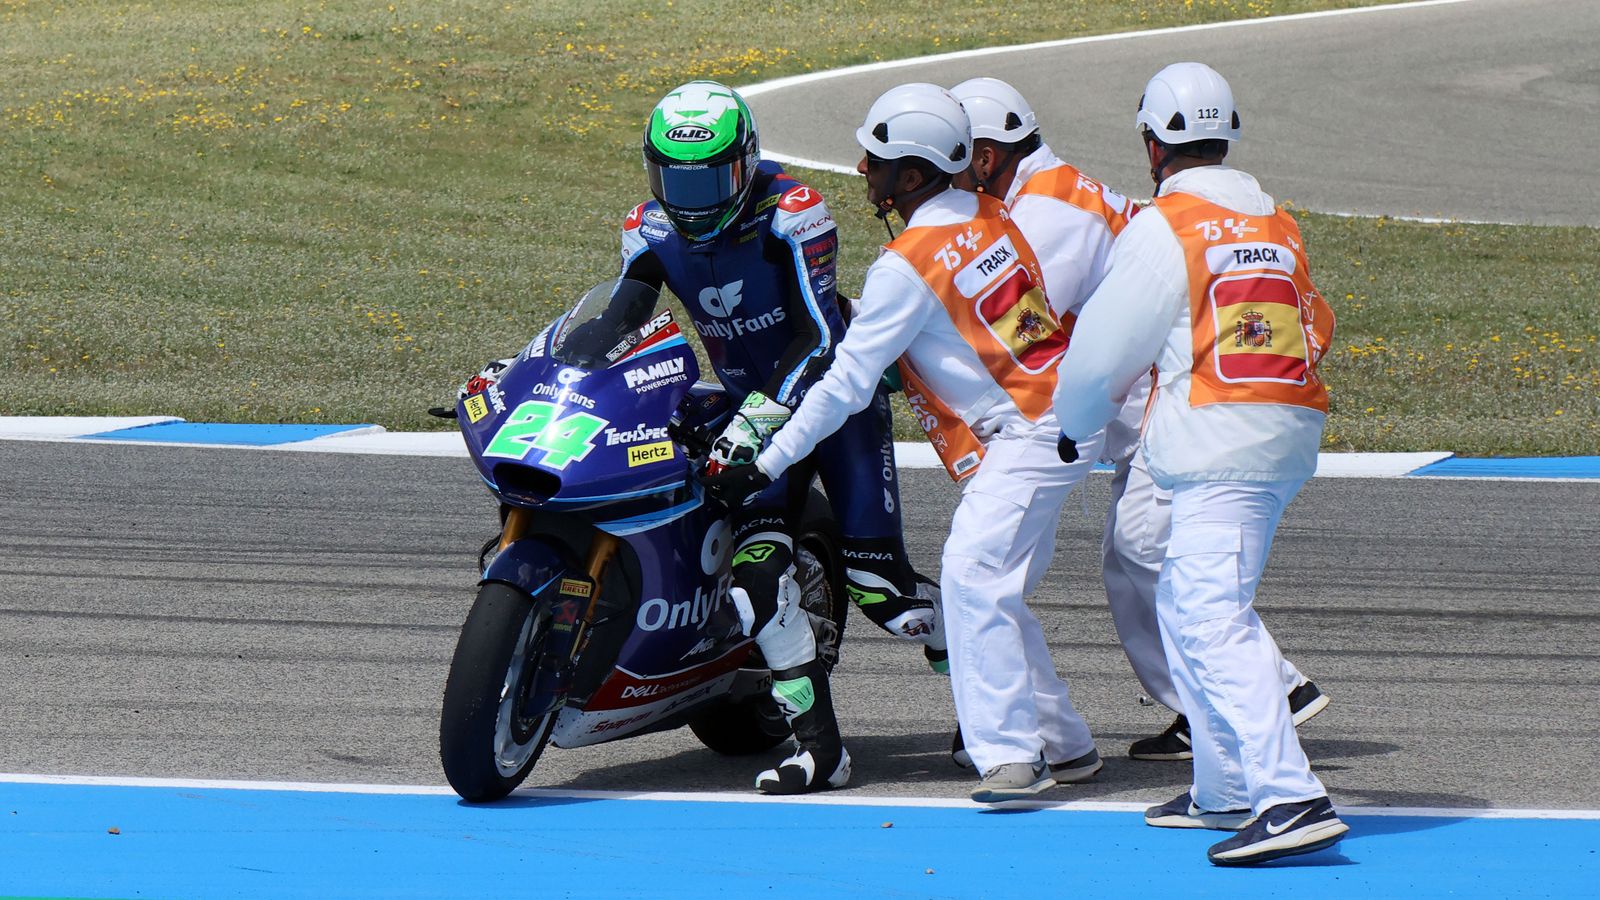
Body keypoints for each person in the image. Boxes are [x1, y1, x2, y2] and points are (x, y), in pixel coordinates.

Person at [465, 81, 944, 794]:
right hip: (750, 408)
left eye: (709, 178)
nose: (691, 199)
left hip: (832, 405)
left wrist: (761, 418)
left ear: (746, 163)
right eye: (675, 180)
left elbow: (820, 337)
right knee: (757, 581)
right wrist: (531, 375)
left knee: (886, 594)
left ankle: (992, 686)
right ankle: (820, 749)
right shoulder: (649, 229)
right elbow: (617, 321)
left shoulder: (794, 214)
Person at [703, 82, 1103, 804]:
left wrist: (761, 461)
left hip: (1028, 433)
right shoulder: (990, 212)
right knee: (997, 591)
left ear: (911, 176)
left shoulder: (906, 264)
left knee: (973, 577)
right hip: (1056, 417)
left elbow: (842, 387)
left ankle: (1014, 756)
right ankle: (1067, 744)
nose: (861, 169)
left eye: (875, 158)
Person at [946, 76, 1331, 763]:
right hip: (1240, 408)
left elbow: (1040, 338)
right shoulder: (1265, 216)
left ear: (982, 156)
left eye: (951, 159)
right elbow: (1314, 320)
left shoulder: (1048, 213)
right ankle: (1221, 724)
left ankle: (1271, 720)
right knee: (1141, 561)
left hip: (1179, 407)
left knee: (1161, 566)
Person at [1053, 62, 1347, 865]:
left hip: (1218, 439)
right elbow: (1315, 323)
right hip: (1282, 428)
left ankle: (1290, 795)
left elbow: (1102, 353)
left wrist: (1074, 427)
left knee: (1211, 613)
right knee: (1183, 599)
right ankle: (1223, 789)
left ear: (1152, 143)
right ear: (1230, 134)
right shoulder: (1278, 221)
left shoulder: (1166, 224)